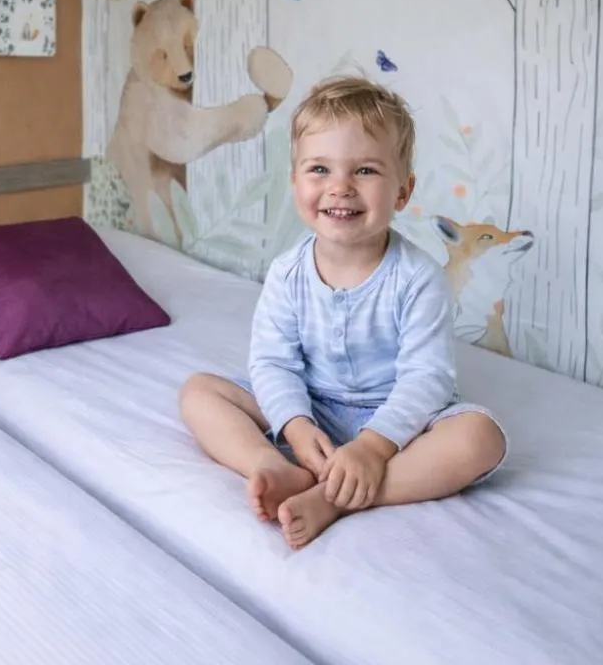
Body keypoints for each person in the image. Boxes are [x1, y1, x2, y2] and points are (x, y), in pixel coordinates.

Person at [178, 75, 508, 549]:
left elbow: (427, 379)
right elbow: (273, 363)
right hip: (311, 407)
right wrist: (294, 423)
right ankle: (272, 466)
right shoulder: (287, 274)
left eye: (366, 171)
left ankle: (337, 497)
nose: (341, 188)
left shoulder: (418, 278)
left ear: (402, 191)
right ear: (295, 183)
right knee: (199, 393)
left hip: (393, 422)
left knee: (480, 438)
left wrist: (373, 447)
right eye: (319, 170)